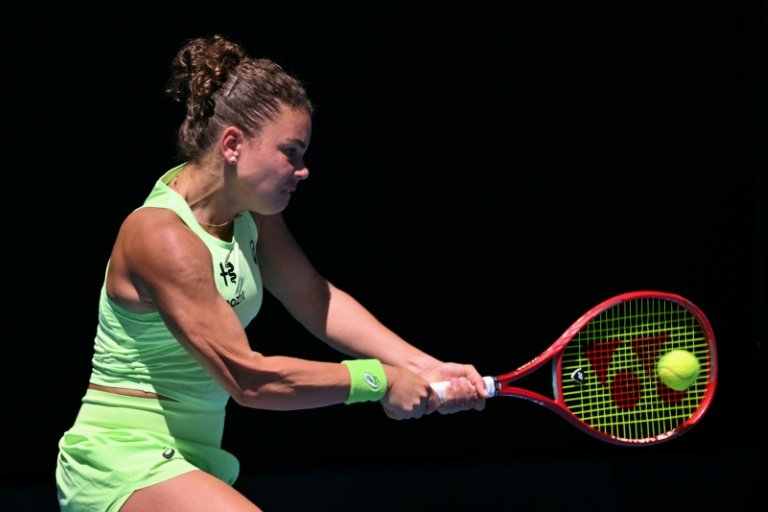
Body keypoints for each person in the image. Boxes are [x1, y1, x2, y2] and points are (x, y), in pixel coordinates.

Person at [55, 34, 488, 512]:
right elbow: (250, 381)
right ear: (234, 144)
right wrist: (378, 380)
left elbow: (312, 297)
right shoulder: (162, 236)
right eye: (291, 152)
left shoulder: (250, 213)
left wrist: (421, 366)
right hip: (123, 459)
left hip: (196, 461)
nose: (303, 170)